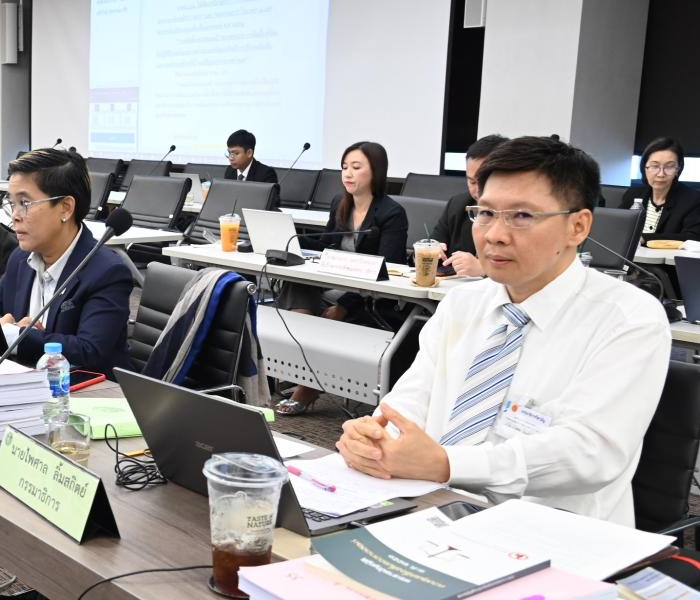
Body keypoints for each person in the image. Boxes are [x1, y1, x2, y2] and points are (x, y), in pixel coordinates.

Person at [336, 136, 670, 526]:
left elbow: (589, 452)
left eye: (522, 216)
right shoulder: (462, 304)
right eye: (486, 213)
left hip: (554, 532)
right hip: (429, 508)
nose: (494, 233)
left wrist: (447, 464)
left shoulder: (628, 318)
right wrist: (374, 436)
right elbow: (411, 400)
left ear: (577, 226)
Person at [275, 141, 408, 416]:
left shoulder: (391, 213)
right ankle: (305, 370)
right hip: (333, 282)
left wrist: (345, 305)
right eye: (344, 167)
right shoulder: (340, 203)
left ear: (376, 171)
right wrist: (291, 238)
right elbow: (327, 246)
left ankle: (306, 386)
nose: (347, 173)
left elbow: (387, 271)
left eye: (356, 167)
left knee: (323, 314)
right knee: (295, 285)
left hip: (368, 295)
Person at [0, 148, 133, 375]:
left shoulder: (107, 271)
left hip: (87, 390)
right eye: (12, 203)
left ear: (65, 208)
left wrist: (16, 335)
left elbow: (89, 351)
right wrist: (4, 327)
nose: (15, 215)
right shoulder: (20, 259)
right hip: (24, 380)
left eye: (25, 203)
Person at [432, 134, 508, 277]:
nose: (477, 190)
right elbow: (433, 245)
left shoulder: (520, 214)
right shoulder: (458, 205)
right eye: (472, 182)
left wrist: (485, 270)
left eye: (484, 181)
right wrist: (429, 252)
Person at [618, 137, 700, 243]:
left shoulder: (692, 200)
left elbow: (693, 237)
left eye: (669, 167)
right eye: (654, 166)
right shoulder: (633, 194)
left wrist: (645, 238)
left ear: (678, 169)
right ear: (644, 167)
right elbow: (617, 226)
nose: (661, 174)